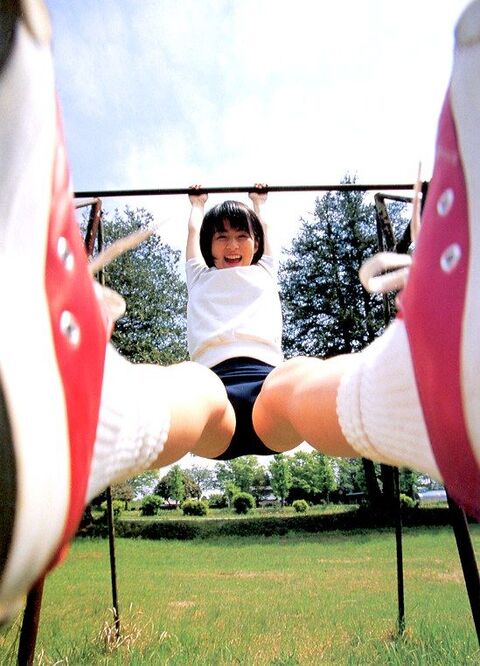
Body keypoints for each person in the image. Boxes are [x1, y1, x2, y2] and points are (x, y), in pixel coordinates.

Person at [1, 0, 480, 624]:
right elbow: (194, 242)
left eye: (241, 236)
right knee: (192, 382)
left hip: (271, 389)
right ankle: (80, 418)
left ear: (255, 243)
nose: (231, 245)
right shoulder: (200, 274)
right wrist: (196, 209)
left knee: (299, 379)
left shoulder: (265, 268)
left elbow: (267, 236)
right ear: (209, 246)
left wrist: (259, 204)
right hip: (211, 399)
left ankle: (432, 393)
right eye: (221, 237)